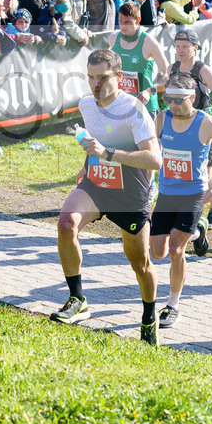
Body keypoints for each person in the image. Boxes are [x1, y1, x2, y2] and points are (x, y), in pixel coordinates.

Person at [51, 49, 162, 347]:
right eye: (90, 77)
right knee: (65, 223)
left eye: (102, 77)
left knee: (139, 263)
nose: (95, 84)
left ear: (120, 77)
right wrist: (86, 165)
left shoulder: (134, 110)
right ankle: (78, 300)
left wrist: (108, 153)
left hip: (131, 194)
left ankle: (149, 317)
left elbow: (155, 160)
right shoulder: (87, 104)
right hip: (97, 185)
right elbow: (97, 141)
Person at [150, 74, 212, 328]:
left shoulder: (206, 123)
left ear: (192, 98)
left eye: (179, 100)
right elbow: (151, 151)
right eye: (168, 99)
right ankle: (198, 230)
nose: (173, 104)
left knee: (174, 251)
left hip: (193, 194)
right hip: (167, 193)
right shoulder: (162, 118)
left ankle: (173, 305)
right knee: (157, 252)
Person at [107, 2, 168, 114]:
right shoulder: (113, 39)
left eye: (128, 22)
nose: (123, 26)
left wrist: (149, 91)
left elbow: (167, 74)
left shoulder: (149, 43)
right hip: (121, 104)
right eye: (120, 21)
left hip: (144, 107)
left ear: (138, 20)